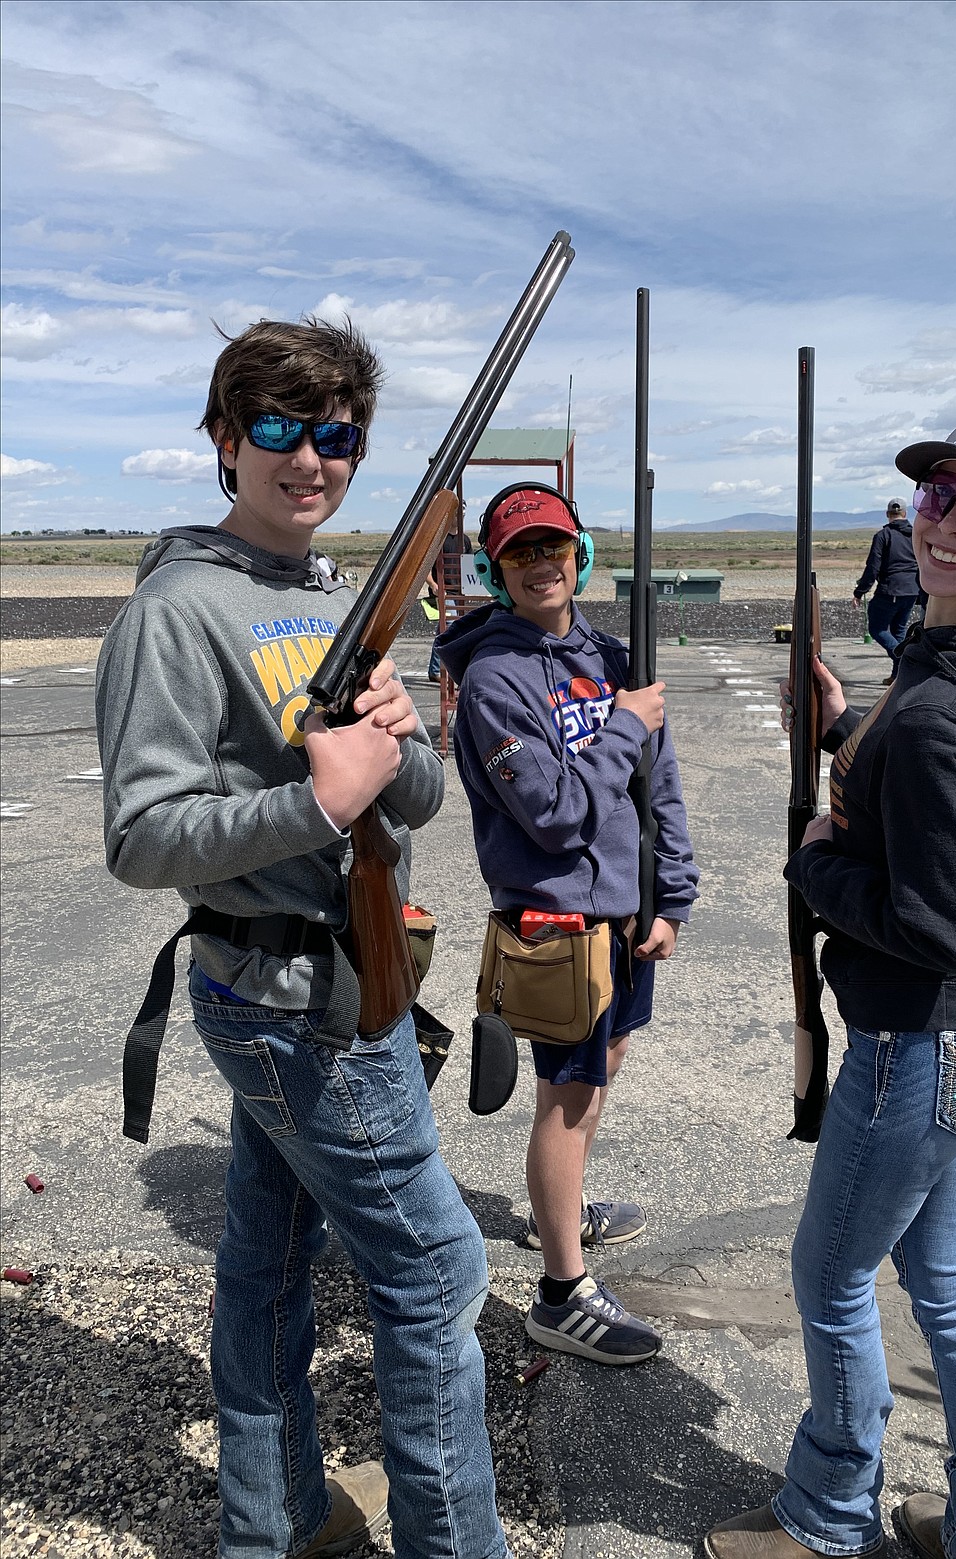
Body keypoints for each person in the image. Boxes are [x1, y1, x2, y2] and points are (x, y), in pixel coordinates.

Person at [96, 318, 509, 1559]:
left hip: (337, 976)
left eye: (336, 435)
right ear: (226, 438)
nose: (309, 458)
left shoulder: (336, 595)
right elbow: (140, 837)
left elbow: (423, 799)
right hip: (289, 998)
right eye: (277, 427)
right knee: (438, 1274)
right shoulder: (181, 609)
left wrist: (397, 742)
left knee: (268, 1265)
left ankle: (270, 1519)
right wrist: (316, 800)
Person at [705, 407, 956, 1559]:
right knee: (942, 1275)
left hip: (918, 1040)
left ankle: (827, 1515)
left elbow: (944, 925)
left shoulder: (934, 707)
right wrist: (843, 732)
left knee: (828, 1281)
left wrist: (818, 864)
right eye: (937, 497)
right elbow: (937, 788)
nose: (948, 523)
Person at [437, 484, 699, 1366]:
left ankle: (566, 1202)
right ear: (495, 570)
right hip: (558, 922)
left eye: (553, 546)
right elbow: (551, 812)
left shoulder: (611, 656)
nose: (540, 563)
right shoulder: (493, 680)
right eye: (519, 554)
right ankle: (560, 1290)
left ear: (579, 553)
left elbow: (657, 789)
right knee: (569, 1095)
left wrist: (670, 899)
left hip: (624, 919)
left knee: (602, 1073)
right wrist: (624, 725)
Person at [852, 499, 920, 682]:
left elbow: (873, 566)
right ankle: (898, 676)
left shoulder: (883, 535)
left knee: (877, 629)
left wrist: (860, 591)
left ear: (887, 514)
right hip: (912, 590)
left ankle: (902, 659)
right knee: (898, 631)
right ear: (905, 514)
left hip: (891, 590)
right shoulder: (916, 535)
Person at [426, 514, 474, 680]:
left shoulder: (465, 540)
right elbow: (426, 565)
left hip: (460, 592)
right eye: (458, 512)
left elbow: (470, 566)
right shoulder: (440, 540)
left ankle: (437, 669)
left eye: (462, 513)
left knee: (448, 630)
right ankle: (437, 670)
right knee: (449, 627)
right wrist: (434, 585)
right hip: (445, 592)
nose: (461, 516)